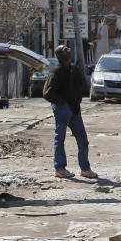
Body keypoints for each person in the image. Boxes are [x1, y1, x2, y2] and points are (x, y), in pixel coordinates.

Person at [42, 45, 97, 179]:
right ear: (59, 55)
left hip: (74, 109)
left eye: (68, 49)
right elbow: (47, 93)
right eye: (64, 50)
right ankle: (60, 168)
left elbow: (82, 85)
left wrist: (77, 99)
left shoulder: (74, 69)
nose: (67, 51)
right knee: (60, 138)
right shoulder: (56, 71)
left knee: (82, 138)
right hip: (62, 109)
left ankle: (85, 168)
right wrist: (61, 103)